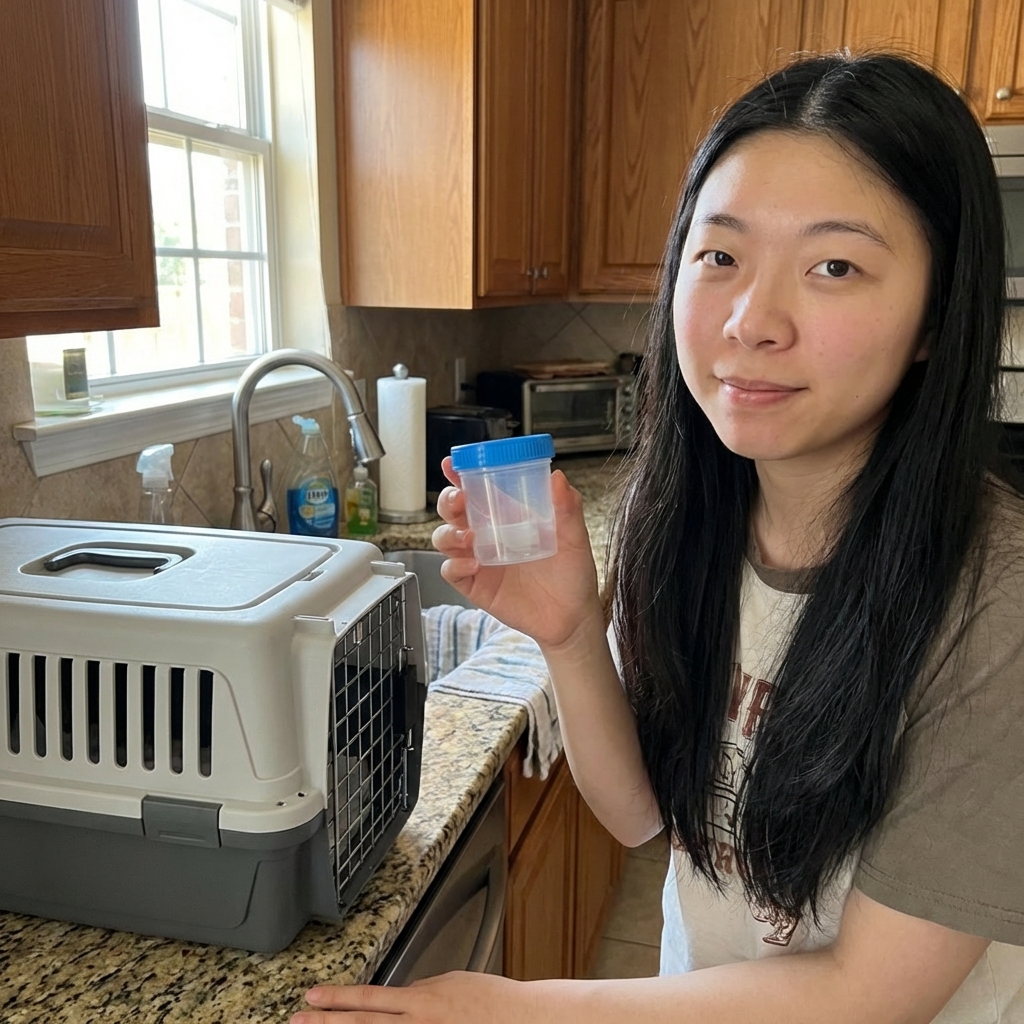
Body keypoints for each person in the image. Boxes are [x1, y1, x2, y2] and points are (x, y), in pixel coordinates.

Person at [291, 51, 1024, 1024]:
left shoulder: (993, 599)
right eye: (719, 255)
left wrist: (520, 1008)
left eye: (833, 266)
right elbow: (647, 817)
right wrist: (569, 630)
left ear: (933, 316)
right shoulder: (676, 513)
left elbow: (870, 993)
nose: (750, 320)